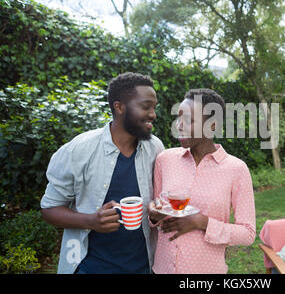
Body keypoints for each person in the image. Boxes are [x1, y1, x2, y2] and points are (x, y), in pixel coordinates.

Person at [40, 72, 164, 274]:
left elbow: (159, 201)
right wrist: (90, 221)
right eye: (146, 106)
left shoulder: (155, 148)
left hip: (144, 266)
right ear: (120, 107)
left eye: (154, 107)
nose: (153, 114)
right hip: (92, 267)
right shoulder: (79, 150)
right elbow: (49, 209)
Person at [148, 88, 256, 274]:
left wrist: (202, 222)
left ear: (212, 126)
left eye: (189, 120)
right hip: (162, 269)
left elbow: (247, 234)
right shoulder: (165, 160)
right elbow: (156, 211)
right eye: (179, 118)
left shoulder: (236, 169)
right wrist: (153, 215)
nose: (179, 125)